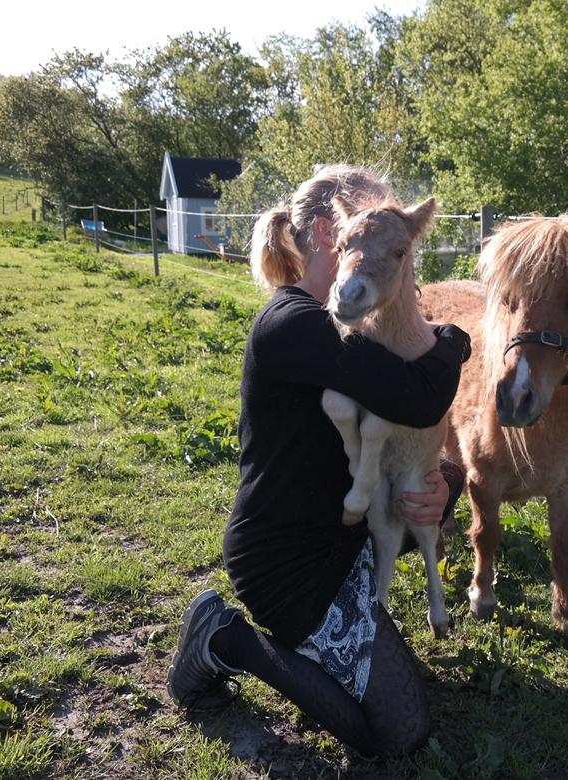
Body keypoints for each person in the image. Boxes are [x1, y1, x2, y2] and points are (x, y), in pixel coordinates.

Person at [166, 165, 471, 757]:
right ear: (334, 234)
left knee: (395, 708)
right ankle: (223, 638)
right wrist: (454, 339)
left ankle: (347, 627)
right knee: (398, 732)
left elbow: (417, 435)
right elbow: (421, 395)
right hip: (287, 562)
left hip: (347, 541)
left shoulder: (357, 329)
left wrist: (445, 485)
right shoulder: (296, 326)